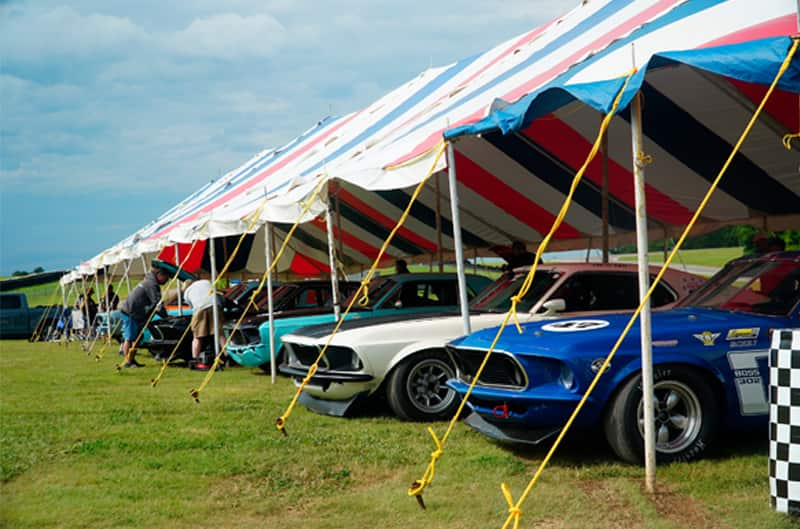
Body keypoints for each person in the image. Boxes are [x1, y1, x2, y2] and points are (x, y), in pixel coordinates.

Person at [118, 262, 171, 368]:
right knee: (130, 337)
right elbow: (158, 303)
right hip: (131, 312)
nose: (167, 281)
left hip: (131, 311)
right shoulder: (152, 285)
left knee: (137, 337)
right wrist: (166, 317)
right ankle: (128, 362)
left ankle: (131, 360)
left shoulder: (148, 281)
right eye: (166, 278)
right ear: (160, 275)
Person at [183, 279, 225, 369]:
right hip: (215, 305)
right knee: (220, 333)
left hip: (200, 308)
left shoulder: (187, 292)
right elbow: (218, 295)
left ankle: (195, 359)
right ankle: (227, 356)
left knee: (197, 336)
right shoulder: (206, 282)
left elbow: (192, 307)